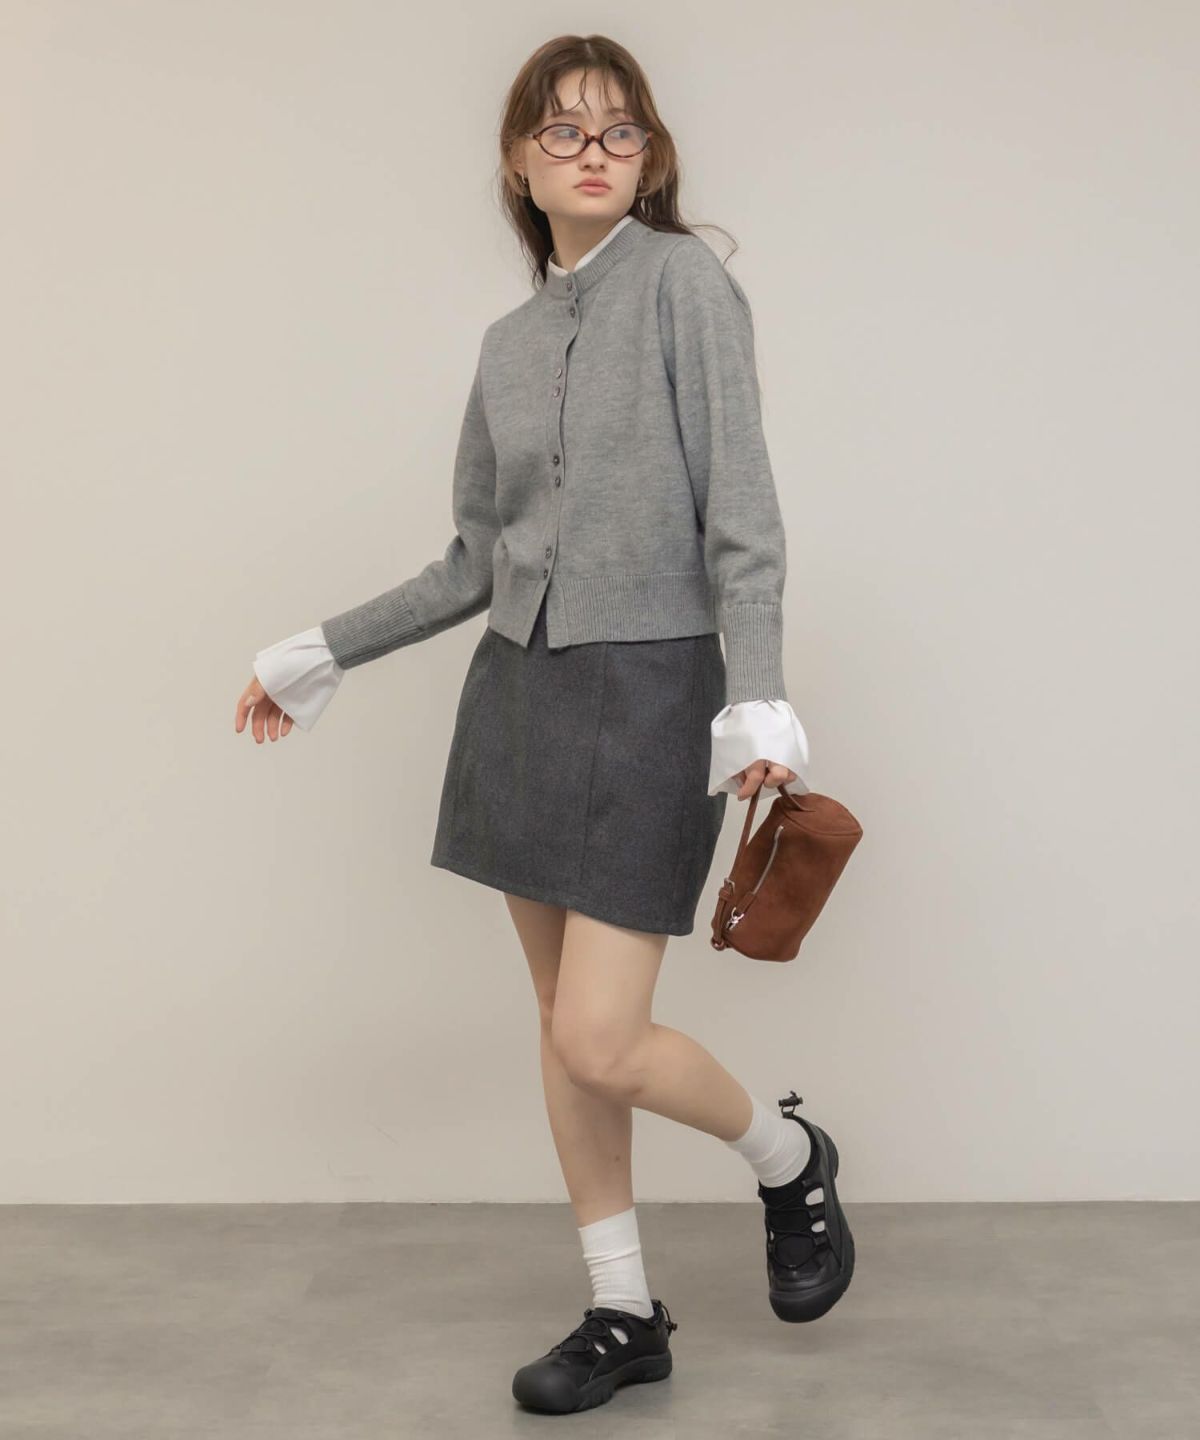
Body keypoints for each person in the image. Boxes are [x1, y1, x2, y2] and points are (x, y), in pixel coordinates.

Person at [233, 34, 853, 1416]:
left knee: (600, 1037)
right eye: (563, 129)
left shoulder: (686, 286)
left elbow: (743, 519)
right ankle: (622, 1310)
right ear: (518, 161)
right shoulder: (507, 347)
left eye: (620, 130)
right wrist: (316, 654)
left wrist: (758, 696)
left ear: (651, 157)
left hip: (652, 694)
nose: (592, 150)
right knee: (558, 1027)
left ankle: (788, 1159)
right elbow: (475, 558)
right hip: (519, 698)